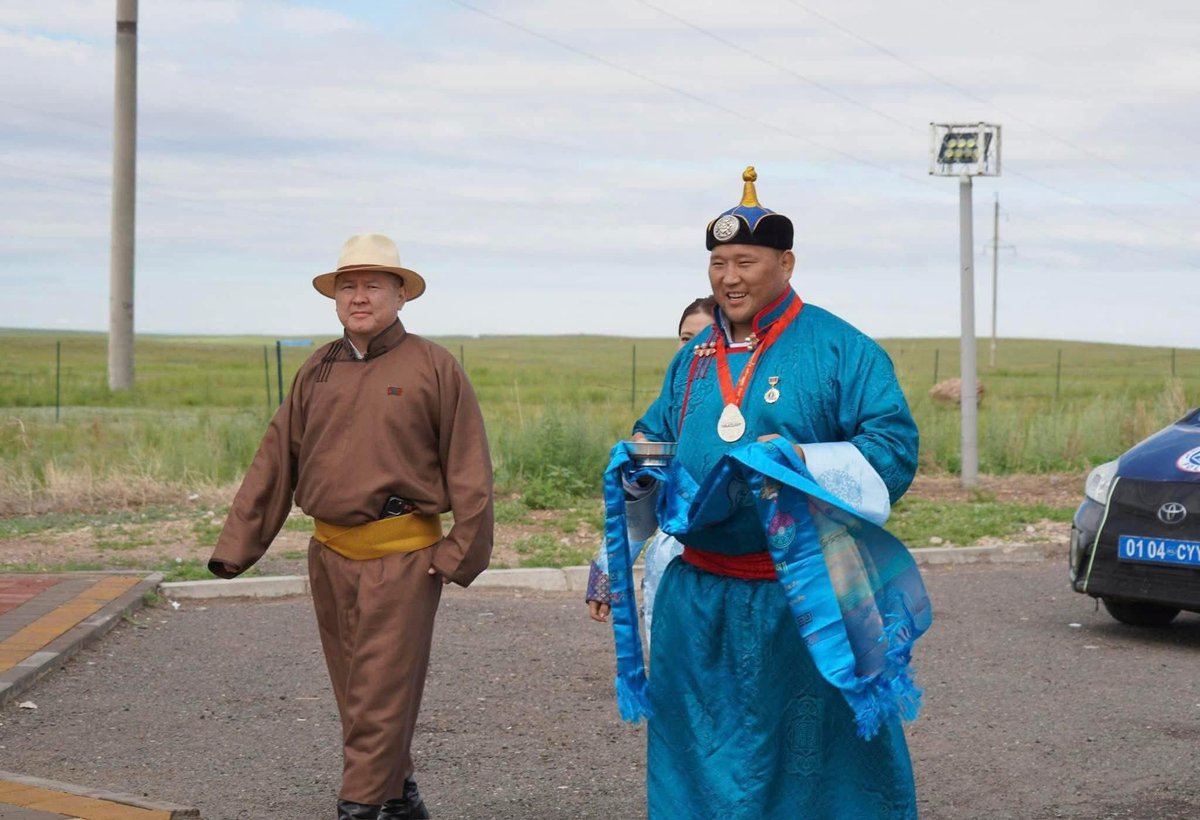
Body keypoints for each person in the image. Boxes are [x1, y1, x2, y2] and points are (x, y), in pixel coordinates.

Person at [613, 168, 924, 819]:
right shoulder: (693, 357)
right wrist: (636, 467)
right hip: (699, 602)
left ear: (785, 263)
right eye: (718, 263)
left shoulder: (842, 350)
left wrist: (797, 468)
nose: (729, 277)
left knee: (822, 766)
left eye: (745, 262)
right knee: (697, 756)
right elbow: (657, 437)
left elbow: (892, 448)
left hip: (805, 598)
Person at [208, 233, 494, 820]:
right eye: (348, 286)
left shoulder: (434, 366)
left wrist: (456, 553)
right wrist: (236, 547)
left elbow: (470, 469)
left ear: (400, 294)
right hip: (329, 556)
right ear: (335, 297)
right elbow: (276, 459)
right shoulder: (318, 367)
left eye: (372, 285)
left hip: (403, 559)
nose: (359, 297)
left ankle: (359, 807)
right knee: (355, 696)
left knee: (379, 699)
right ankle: (400, 798)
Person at [585, 296, 716, 646]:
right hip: (670, 561)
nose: (695, 349)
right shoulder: (666, 410)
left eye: (706, 338)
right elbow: (637, 512)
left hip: (732, 566)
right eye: (686, 339)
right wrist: (609, 576)